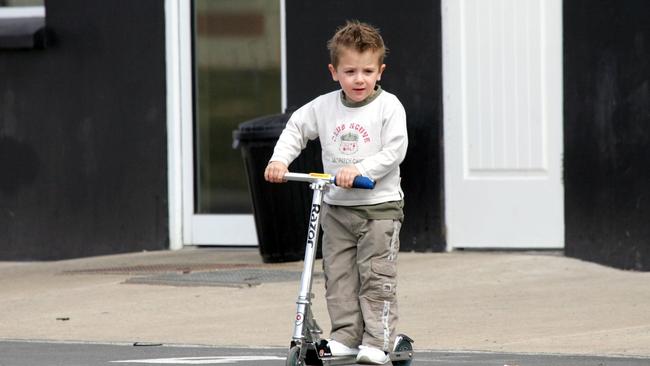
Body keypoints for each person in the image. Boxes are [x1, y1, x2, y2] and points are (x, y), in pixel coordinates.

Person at [264, 20, 407, 365]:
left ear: (380, 71)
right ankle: (345, 335)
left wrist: (359, 170)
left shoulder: (389, 107)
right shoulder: (324, 107)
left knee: (376, 277)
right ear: (334, 72)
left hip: (378, 209)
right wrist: (280, 160)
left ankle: (378, 341)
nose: (359, 79)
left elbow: (395, 150)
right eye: (350, 71)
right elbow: (297, 127)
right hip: (337, 208)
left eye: (367, 71)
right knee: (338, 277)